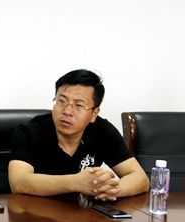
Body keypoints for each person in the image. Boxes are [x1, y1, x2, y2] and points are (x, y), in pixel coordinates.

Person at [8, 69, 149, 201]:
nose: (67, 111)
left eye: (79, 105)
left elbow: (140, 178)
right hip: (37, 214)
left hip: (83, 215)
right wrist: (76, 183)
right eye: (61, 101)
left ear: (94, 114)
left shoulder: (102, 131)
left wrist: (111, 191)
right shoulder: (30, 131)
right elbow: (18, 182)